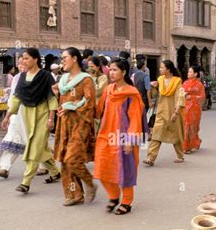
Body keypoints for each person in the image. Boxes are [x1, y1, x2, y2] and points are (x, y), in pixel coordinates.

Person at [1, 48, 60, 193]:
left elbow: (52, 98)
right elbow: (16, 98)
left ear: (36, 59)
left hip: (43, 114)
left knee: (33, 147)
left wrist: (51, 118)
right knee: (40, 147)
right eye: (22, 59)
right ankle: (55, 172)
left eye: (26, 59)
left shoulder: (46, 76)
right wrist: (8, 116)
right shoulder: (22, 77)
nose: (24, 62)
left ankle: (26, 182)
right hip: (27, 115)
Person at [94, 58, 146, 215]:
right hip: (106, 135)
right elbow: (98, 110)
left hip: (124, 137)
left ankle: (127, 201)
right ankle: (114, 196)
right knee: (102, 167)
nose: (111, 72)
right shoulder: (109, 90)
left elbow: (135, 117)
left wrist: (130, 140)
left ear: (124, 72)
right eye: (110, 70)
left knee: (125, 168)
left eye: (115, 70)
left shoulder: (131, 94)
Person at [53, 47, 97, 206]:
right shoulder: (63, 80)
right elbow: (62, 100)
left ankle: (90, 183)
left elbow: (90, 103)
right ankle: (75, 194)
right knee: (65, 160)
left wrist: (72, 106)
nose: (62, 60)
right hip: (65, 124)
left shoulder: (86, 79)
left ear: (75, 59)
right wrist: (60, 109)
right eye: (61, 58)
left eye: (65, 57)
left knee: (72, 158)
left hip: (80, 124)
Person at [143, 60, 185, 166]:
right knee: (156, 134)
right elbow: (157, 94)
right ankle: (150, 158)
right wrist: (154, 87)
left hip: (173, 112)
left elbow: (180, 96)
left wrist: (176, 112)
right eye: (160, 67)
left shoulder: (177, 81)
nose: (160, 69)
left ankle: (180, 155)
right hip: (161, 112)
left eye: (162, 68)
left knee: (176, 135)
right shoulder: (160, 80)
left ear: (168, 69)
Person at [0, 56, 27, 178]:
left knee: (34, 143)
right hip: (16, 114)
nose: (21, 66)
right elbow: (14, 98)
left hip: (30, 115)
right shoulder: (16, 78)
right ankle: (4, 168)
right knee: (11, 139)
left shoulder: (37, 77)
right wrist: (8, 116)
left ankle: (47, 166)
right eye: (20, 63)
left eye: (24, 63)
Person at [182, 65, 205, 154]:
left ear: (195, 74)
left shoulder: (199, 85)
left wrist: (191, 97)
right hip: (185, 107)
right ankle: (186, 146)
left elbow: (202, 97)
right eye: (188, 72)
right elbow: (180, 93)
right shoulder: (185, 83)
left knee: (192, 127)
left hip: (194, 109)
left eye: (190, 72)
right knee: (185, 126)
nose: (188, 73)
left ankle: (192, 144)